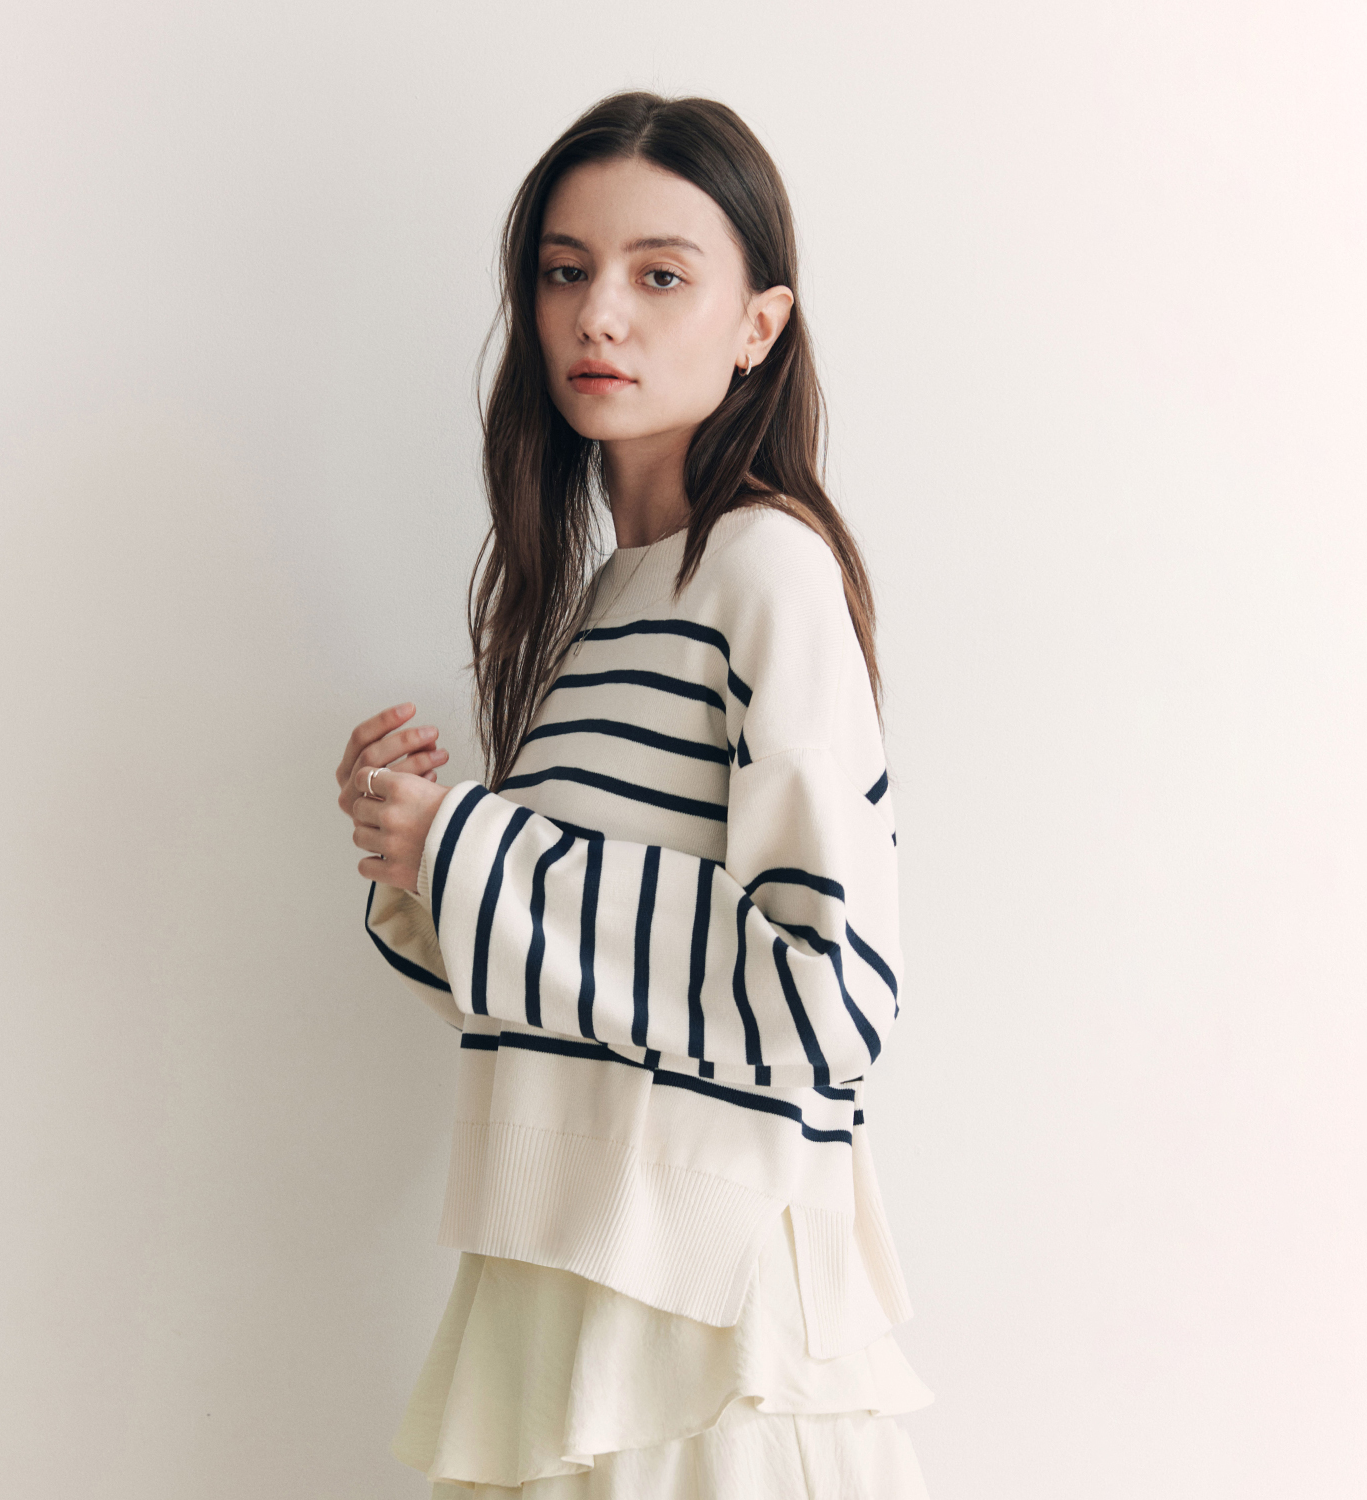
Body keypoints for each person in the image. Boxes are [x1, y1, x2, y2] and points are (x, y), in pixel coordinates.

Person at [336, 91, 933, 1499]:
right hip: (564, 1286)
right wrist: (418, 864)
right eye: (566, 270)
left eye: (661, 275)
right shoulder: (608, 600)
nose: (598, 314)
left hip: (707, 1329)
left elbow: (829, 991)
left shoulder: (768, 570)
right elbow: (580, 994)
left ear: (757, 326)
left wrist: (476, 851)